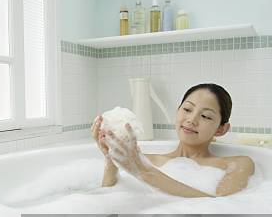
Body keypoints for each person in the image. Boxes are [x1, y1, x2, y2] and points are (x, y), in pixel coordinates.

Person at [91, 83, 254, 197]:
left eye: (205, 116)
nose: (191, 119)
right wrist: (111, 160)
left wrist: (144, 172)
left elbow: (223, 206)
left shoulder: (238, 164)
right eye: (187, 109)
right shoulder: (144, 159)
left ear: (221, 129)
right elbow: (108, 198)